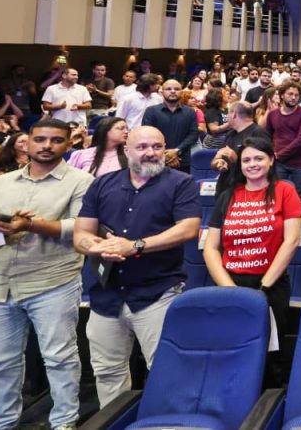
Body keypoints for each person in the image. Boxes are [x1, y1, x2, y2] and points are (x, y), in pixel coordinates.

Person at [0, 119, 93, 430]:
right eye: (40, 139)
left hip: (53, 280)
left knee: (59, 358)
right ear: (27, 142)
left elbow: (79, 228)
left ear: (68, 144)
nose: (47, 146)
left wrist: (30, 225)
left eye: (56, 140)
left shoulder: (81, 181)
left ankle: (64, 422)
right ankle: (1, 423)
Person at [74, 126, 200, 407]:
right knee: (107, 372)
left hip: (157, 293)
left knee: (167, 372)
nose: (150, 153)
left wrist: (135, 246)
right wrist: (94, 247)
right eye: (142, 147)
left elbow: (189, 229)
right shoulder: (102, 184)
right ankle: (115, 421)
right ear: (126, 150)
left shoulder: (181, 182)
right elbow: (81, 233)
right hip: (106, 296)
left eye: (157, 146)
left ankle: (167, 426)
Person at [202, 136, 301, 385]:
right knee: (233, 353)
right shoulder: (228, 196)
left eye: (259, 158)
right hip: (231, 285)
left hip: (270, 286)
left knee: (270, 358)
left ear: (271, 160)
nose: (252, 164)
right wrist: (230, 290)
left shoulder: (284, 190)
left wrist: (264, 287)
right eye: (246, 159)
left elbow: (291, 241)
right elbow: (211, 248)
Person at [264, 81, 301, 202]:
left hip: (300, 163)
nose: (293, 97)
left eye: (296, 95)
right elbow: (267, 135)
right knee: (277, 195)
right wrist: (271, 153)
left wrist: (280, 154)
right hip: (279, 163)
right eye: (290, 94)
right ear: (282, 95)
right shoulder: (273, 114)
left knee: (297, 197)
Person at [141, 79, 199, 172]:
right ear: (162, 92)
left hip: (182, 160)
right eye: (168, 89)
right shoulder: (151, 111)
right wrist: (165, 155)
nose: (172, 91)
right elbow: (146, 135)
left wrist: (176, 151)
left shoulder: (190, 112)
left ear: (181, 92)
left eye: (176, 89)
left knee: (182, 186)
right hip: (156, 159)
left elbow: (193, 135)